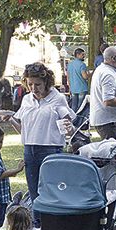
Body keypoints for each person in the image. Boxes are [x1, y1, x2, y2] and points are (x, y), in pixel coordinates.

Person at [8, 63, 74, 208]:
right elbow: (24, 130)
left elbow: (68, 129)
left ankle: (52, 221)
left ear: (46, 82)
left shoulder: (58, 99)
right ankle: (37, 223)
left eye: (37, 84)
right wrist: (10, 119)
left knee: (51, 189)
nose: (33, 88)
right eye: (30, 84)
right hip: (29, 149)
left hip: (50, 150)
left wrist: (69, 128)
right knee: (33, 191)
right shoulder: (27, 99)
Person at [65, 47, 89, 113]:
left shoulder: (69, 64)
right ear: (78, 55)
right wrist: (90, 74)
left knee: (74, 106)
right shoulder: (82, 65)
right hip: (82, 88)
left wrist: (70, 87)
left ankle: (73, 120)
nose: (84, 56)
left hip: (73, 88)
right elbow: (85, 77)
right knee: (81, 107)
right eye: (82, 54)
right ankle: (78, 121)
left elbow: (68, 77)